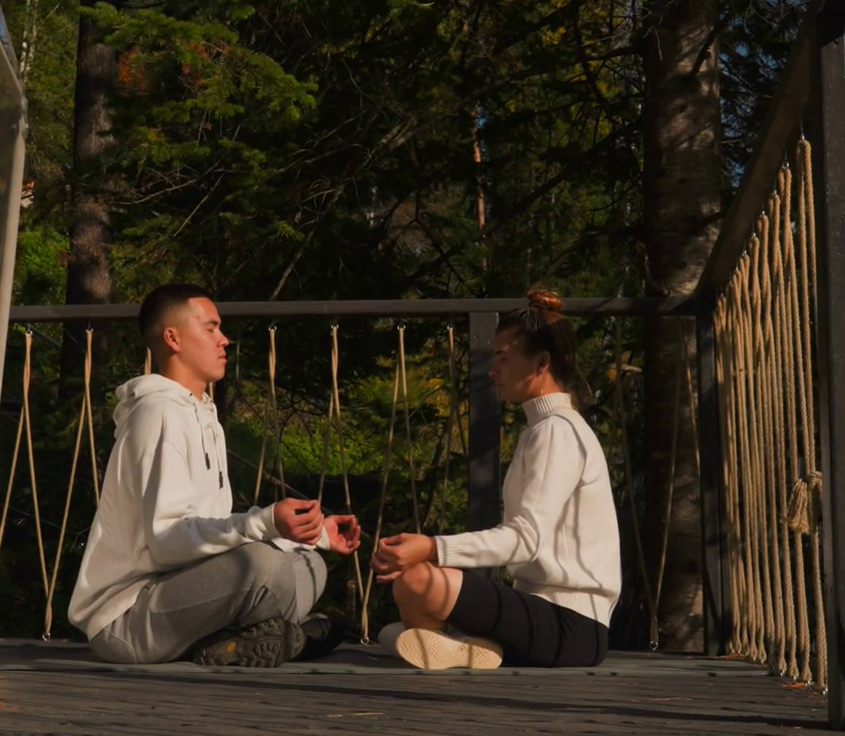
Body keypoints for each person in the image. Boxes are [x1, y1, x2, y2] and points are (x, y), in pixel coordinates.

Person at [69, 283, 363, 666]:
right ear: (173, 338)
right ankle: (283, 637)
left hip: (183, 592)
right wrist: (264, 522)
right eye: (211, 328)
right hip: (128, 616)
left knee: (308, 563)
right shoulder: (158, 414)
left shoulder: (203, 415)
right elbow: (167, 541)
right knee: (264, 566)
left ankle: (248, 639)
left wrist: (312, 532)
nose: (224, 339)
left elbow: (209, 534)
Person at [371, 289, 620, 669]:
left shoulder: (558, 432)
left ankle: (460, 646)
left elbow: (525, 540)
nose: (493, 371)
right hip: (542, 616)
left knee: (416, 582)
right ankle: (467, 648)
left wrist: (432, 547)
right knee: (403, 607)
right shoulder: (542, 430)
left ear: (541, 362)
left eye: (502, 358)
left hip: (573, 627)